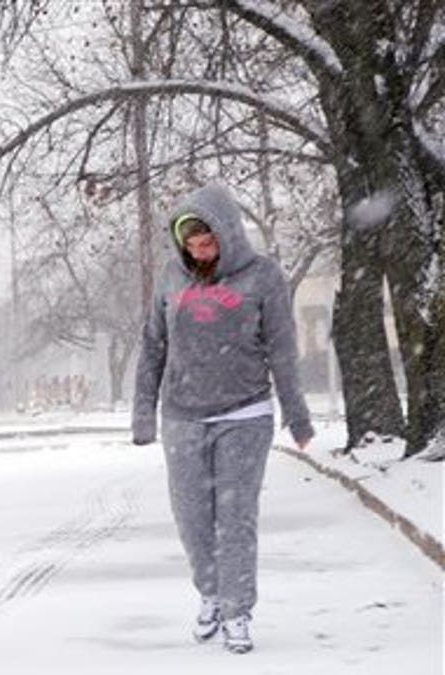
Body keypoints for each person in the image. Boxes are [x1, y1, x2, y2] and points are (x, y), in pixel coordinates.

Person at [132, 184, 314, 655]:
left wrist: (297, 416)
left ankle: (237, 611)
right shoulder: (172, 278)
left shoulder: (263, 276)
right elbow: (153, 344)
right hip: (182, 415)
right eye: (190, 245)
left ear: (228, 235)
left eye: (207, 243)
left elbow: (282, 349)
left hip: (245, 411)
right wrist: (142, 414)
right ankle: (211, 593)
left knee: (234, 517)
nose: (199, 253)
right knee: (192, 517)